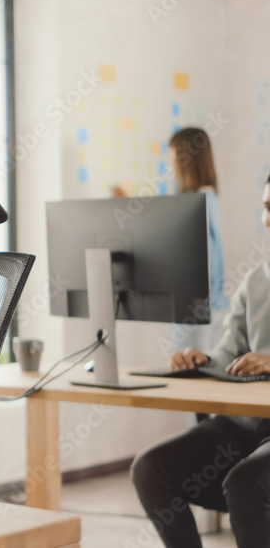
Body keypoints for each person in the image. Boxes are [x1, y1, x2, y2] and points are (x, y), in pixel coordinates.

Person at [130, 173, 270, 548]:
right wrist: (203, 359)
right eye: (266, 208)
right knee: (150, 469)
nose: (269, 218)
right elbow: (230, 353)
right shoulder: (256, 281)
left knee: (246, 483)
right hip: (243, 426)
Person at [166, 127, 228, 353]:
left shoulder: (196, 203)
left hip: (196, 305)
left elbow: (203, 258)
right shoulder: (208, 197)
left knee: (189, 370)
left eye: (172, 155)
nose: (170, 163)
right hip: (210, 304)